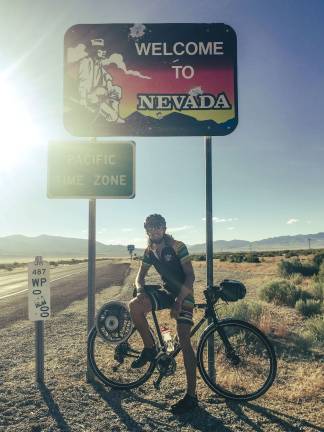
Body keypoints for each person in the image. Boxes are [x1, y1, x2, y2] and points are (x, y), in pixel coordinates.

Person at [129, 214, 198, 415]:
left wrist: (179, 301)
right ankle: (150, 349)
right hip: (168, 292)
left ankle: (191, 396)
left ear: (164, 228)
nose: (155, 230)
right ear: (147, 230)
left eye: (159, 226)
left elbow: (191, 276)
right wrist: (140, 290)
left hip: (184, 294)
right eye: (151, 227)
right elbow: (139, 278)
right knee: (135, 306)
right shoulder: (149, 251)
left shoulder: (177, 246)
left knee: (184, 341)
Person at [78, 38, 124, 123]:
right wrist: (83, 99)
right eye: (101, 50)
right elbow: (83, 81)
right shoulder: (85, 62)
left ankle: (115, 115)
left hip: (97, 92)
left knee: (116, 89)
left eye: (104, 50)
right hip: (89, 95)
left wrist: (109, 84)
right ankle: (114, 117)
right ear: (94, 51)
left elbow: (106, 74)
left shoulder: (98, 63)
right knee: (112, 116)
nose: (104, 52)